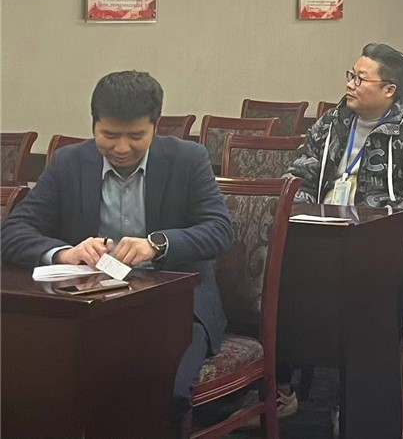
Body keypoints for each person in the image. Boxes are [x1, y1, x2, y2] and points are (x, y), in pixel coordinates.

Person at [1, 71, 234, 429]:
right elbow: (12, 232)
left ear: (155, 126)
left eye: (136, 136)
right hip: (91, 309)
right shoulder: (69, 163)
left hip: (174, 308)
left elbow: (220, 230)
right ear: (94, 124)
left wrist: (157, 245)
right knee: (42, 383)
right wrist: (64, 253)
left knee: (162, 391)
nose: (122, 148)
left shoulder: (188, 159)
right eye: (109, 135)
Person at [287, 42, 403, 432]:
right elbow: (300, 173)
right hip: (325, 229)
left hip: (391, 238)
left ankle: (371, 392)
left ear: (389, 89)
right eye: (350, 76)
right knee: (277, 269)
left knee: (392, 280)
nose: (350, 85)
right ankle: (284, 382)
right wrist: (302, 208)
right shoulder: (332, 122)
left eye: (360, 79)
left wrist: (372, 224)